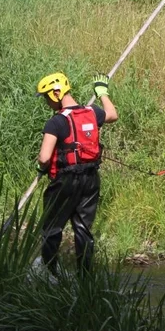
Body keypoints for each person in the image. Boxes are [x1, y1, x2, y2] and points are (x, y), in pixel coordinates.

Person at [35, 72, 118, 274]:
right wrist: (102, 93)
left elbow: (44, 157)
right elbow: (112, 115)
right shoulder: (92, 112)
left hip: (65, 182)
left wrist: (41, 169)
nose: (47, 102)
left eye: (47, 97)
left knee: (52, 230)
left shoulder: (56, 122)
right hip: (90, 180)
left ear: (56, 94)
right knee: (83, 229)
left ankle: (49, 275)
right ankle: (85, 278)